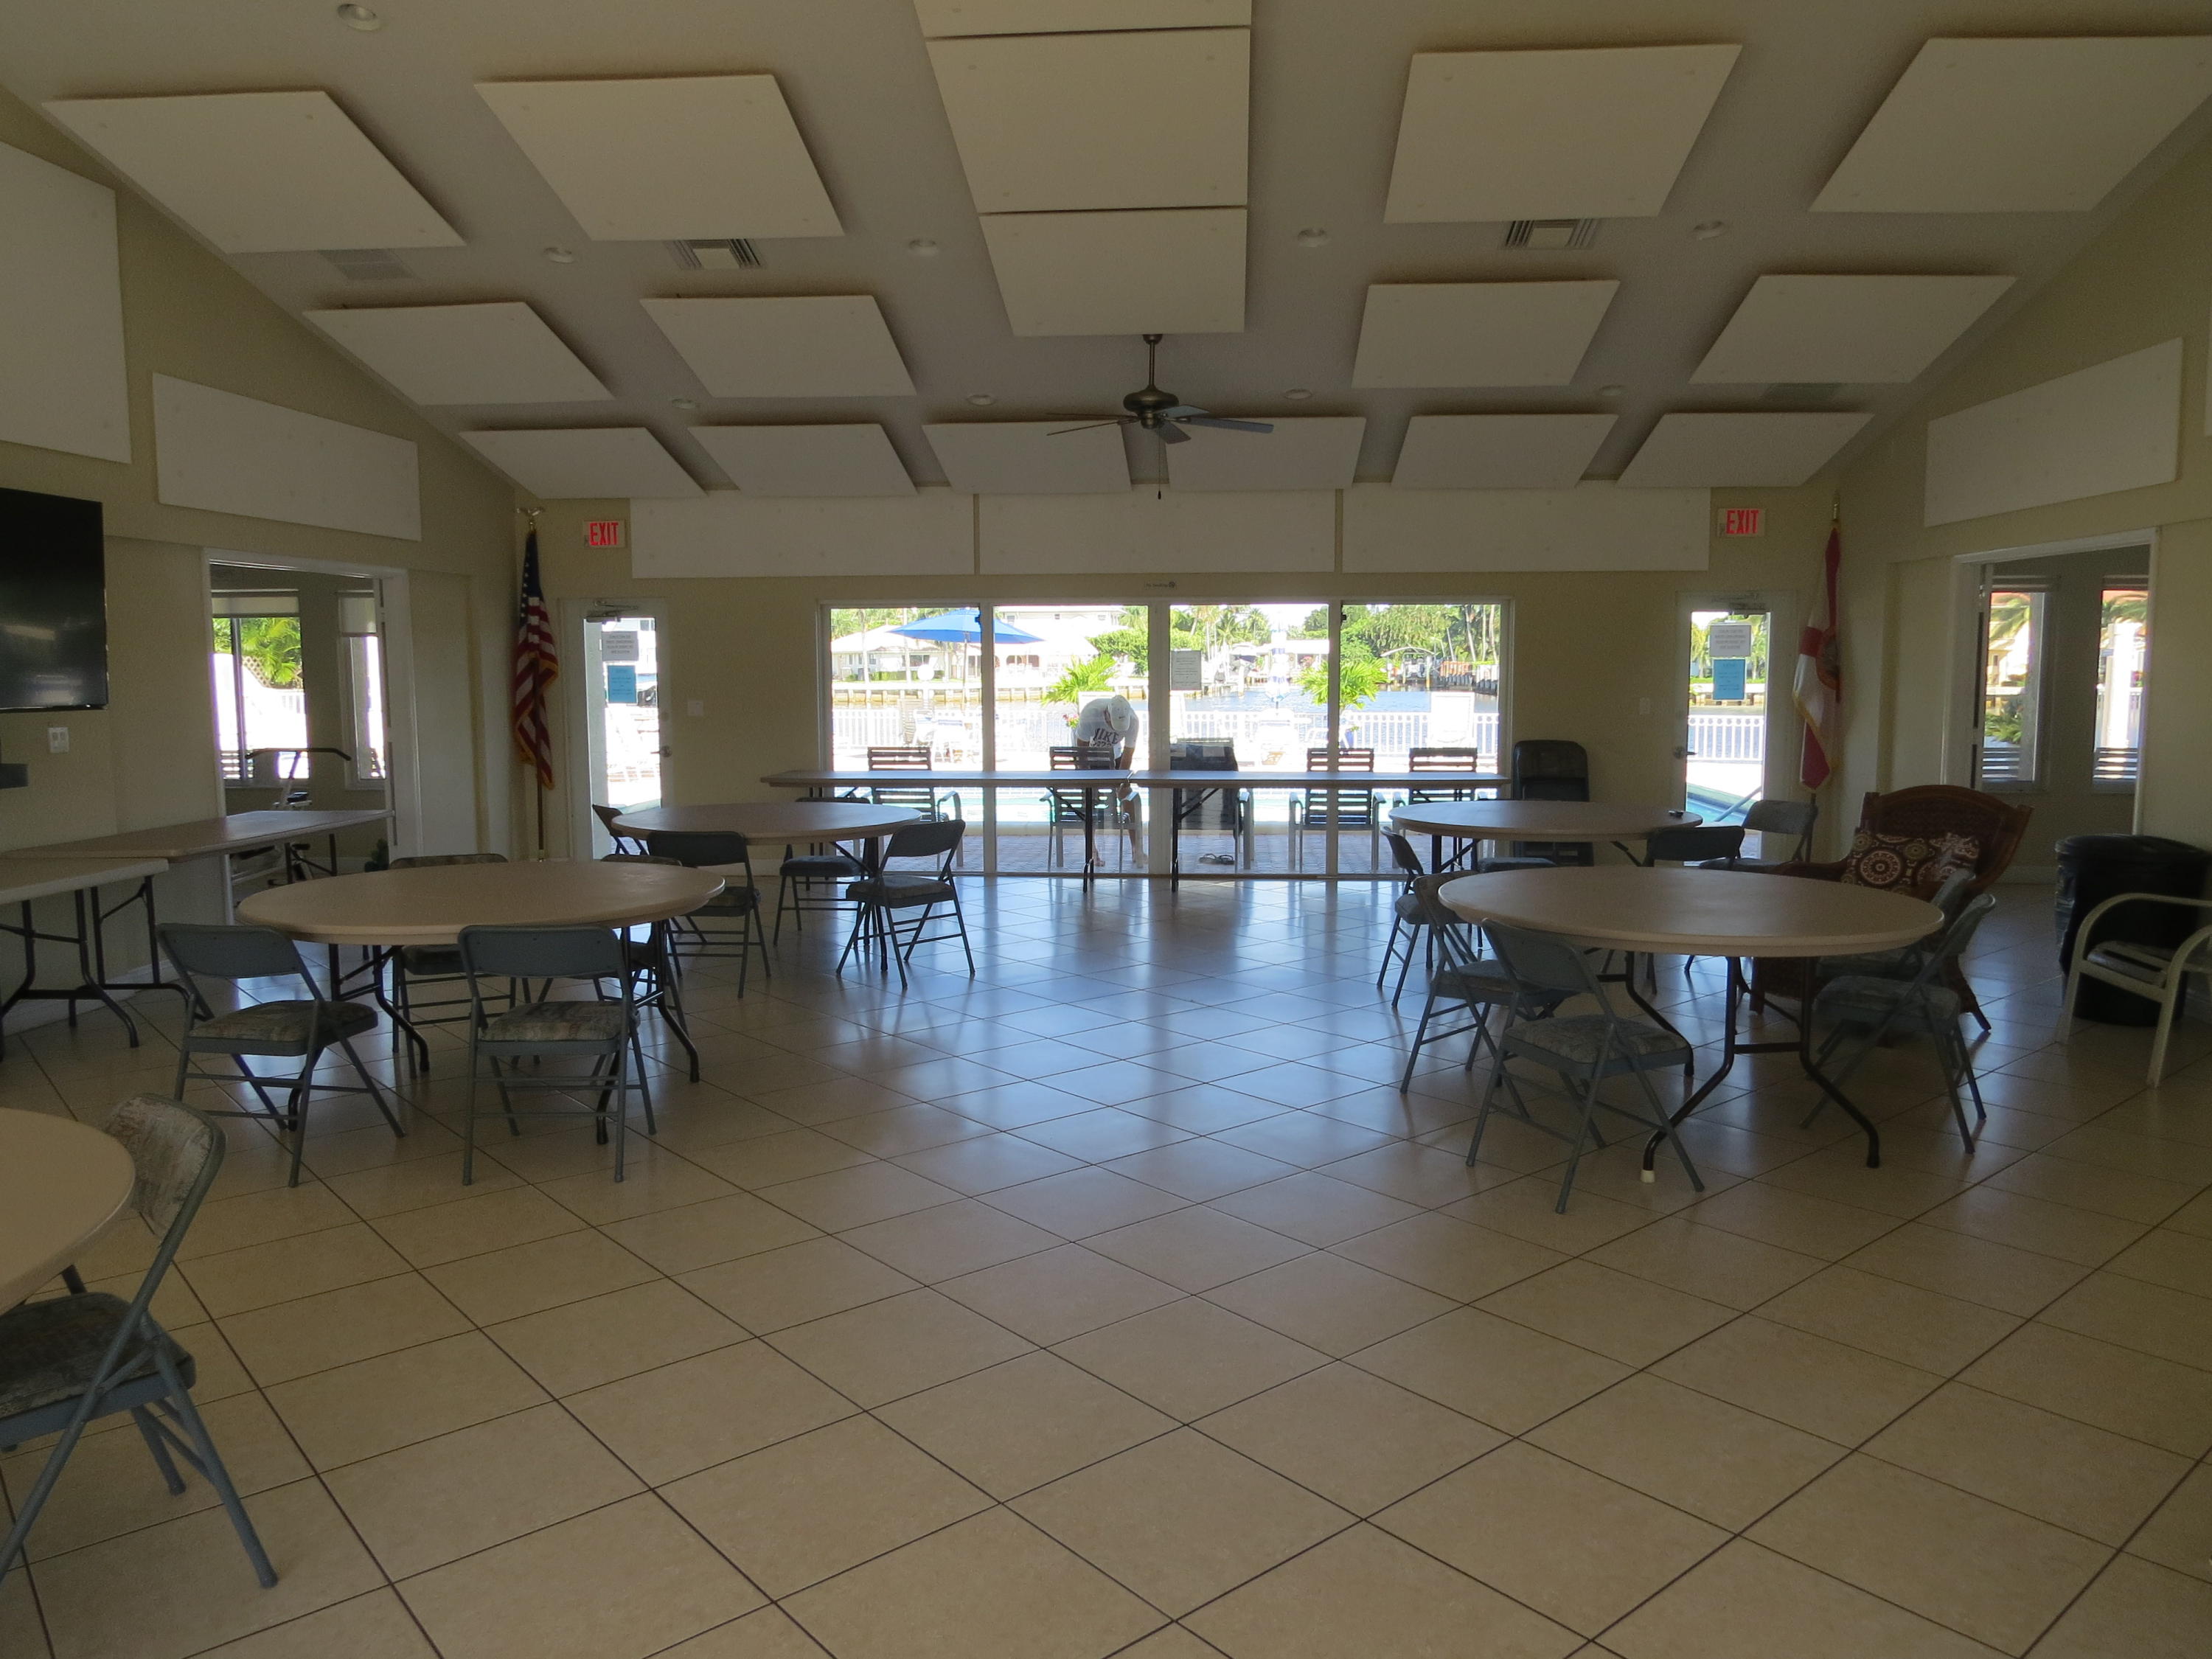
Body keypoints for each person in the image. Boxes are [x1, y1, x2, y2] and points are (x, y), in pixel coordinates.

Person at [1071, 693, 1143, 861]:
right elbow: (1082, 753)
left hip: (1114, 756)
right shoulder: (1091, 713)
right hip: (1088, 755)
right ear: (1107, 715)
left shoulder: (1133, 720)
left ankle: (1136, 849)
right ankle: (1092, 852)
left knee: (1128, 796)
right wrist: (1088, 783)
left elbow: (1128, 754)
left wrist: (1122, 784)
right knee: (1089, 799)